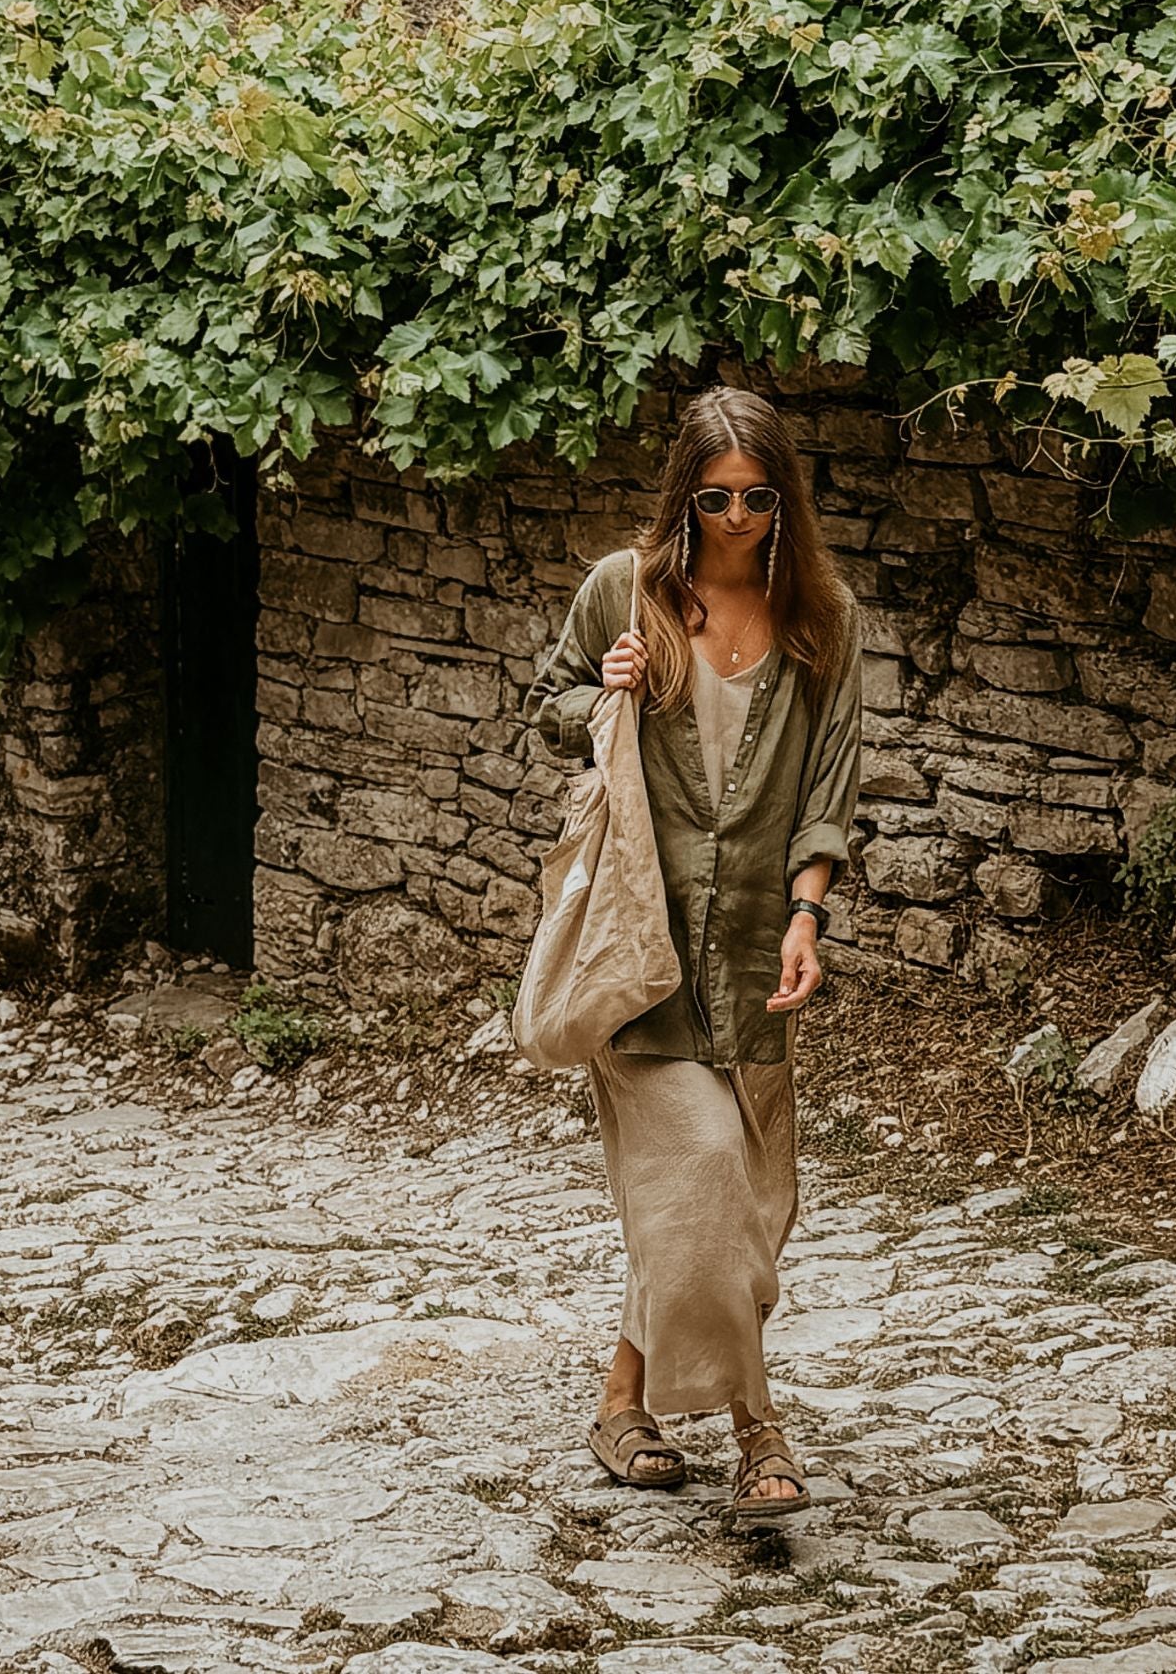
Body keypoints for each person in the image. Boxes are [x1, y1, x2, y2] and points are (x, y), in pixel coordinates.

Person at [522, 385, 864, 1519]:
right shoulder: (624, 591)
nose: (736, 520)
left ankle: (622, 1401)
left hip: (759, 950)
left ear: (785, 500)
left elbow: (828, 793)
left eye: (758, 498)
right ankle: (759, 1430)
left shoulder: (824, 617)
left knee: (746, 1206)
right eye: (715, 499)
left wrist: (808, 918)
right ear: (685, 496)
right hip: (641, 952)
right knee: (708, 1171)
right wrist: (600, 694)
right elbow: (547, 704)